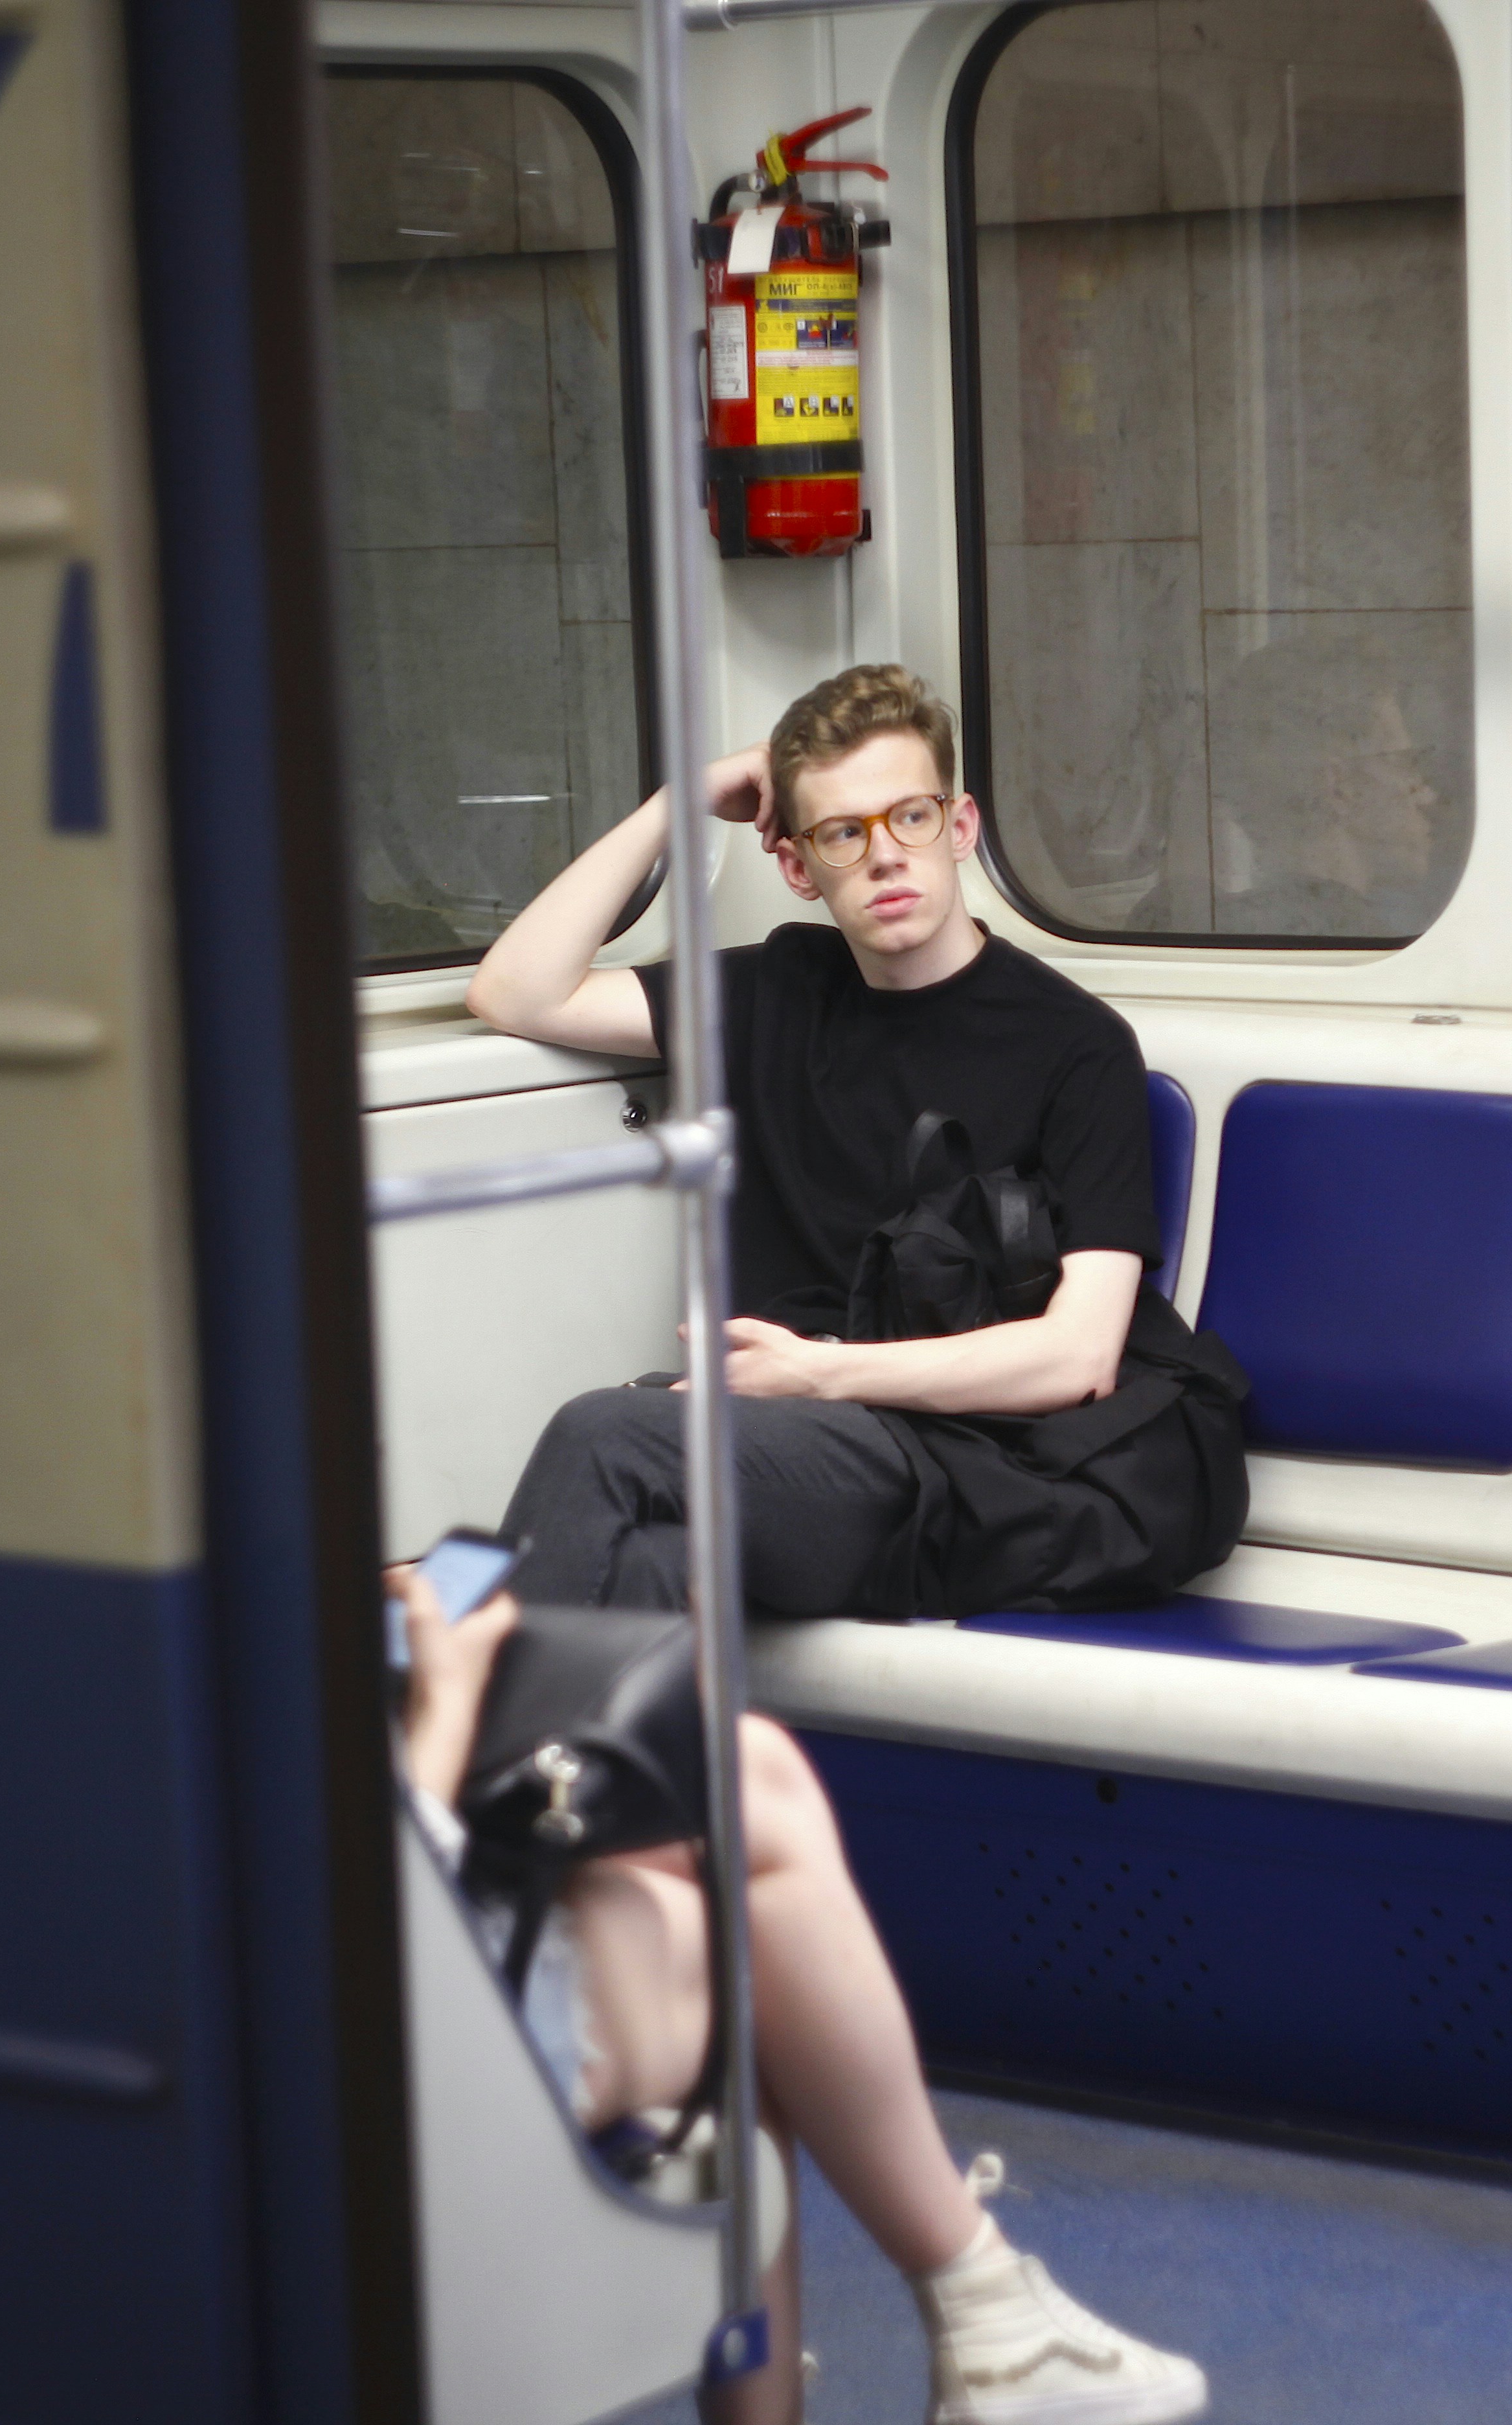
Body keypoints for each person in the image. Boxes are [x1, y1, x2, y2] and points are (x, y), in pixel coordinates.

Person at [464, 663, 1243, 1620]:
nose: (884, 857)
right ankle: (487, 1714)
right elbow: (516, 991)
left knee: (603, 1436)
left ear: (959, 830)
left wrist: (820, 1374)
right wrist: (678, 801)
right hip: (812, 1447)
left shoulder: (1074, 1045)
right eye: (842, 834)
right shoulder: (774, 994)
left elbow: (1076, 1358)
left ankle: (438, 1721)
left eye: (910, 818)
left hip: (979, 1464)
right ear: (798, 866)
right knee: (639, 1575)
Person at [387, 1564, 1208, 2425]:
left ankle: (981, 2306)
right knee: (748, 1936)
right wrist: (443, 1713)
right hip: (384, 2044)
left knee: (752, 1774)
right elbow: (381, 1909)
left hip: (349, 1970)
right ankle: (983, 2311)